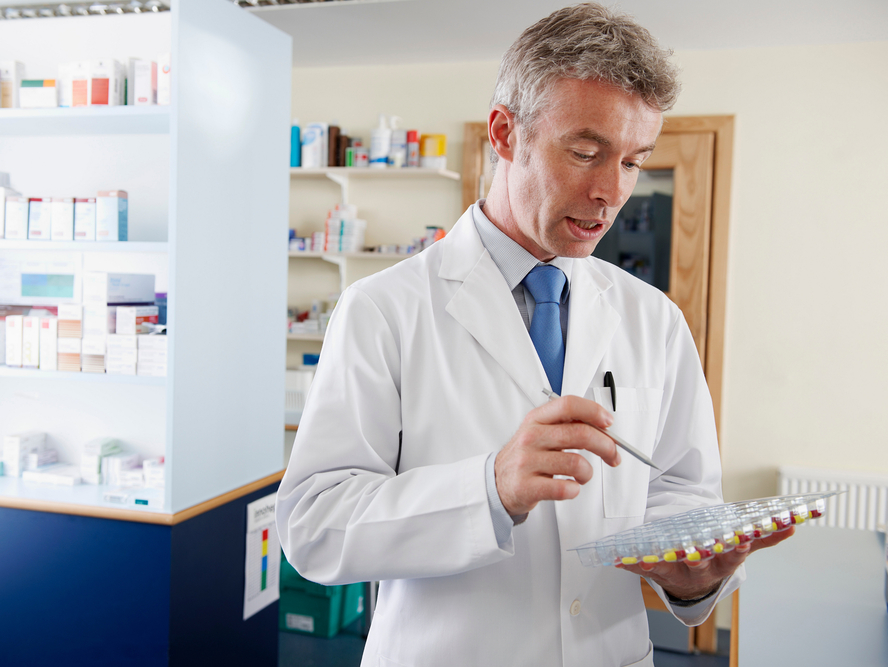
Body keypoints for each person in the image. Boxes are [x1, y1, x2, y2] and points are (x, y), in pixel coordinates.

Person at [276, 4, 791, 666]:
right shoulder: (384, 309)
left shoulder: (654, 318)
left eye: (634, 161)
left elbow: (680, 492)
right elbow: (313, 524)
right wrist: (488, 488)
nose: (612, 191)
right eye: (585, 151)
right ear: (504, 132)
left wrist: (696, 576)